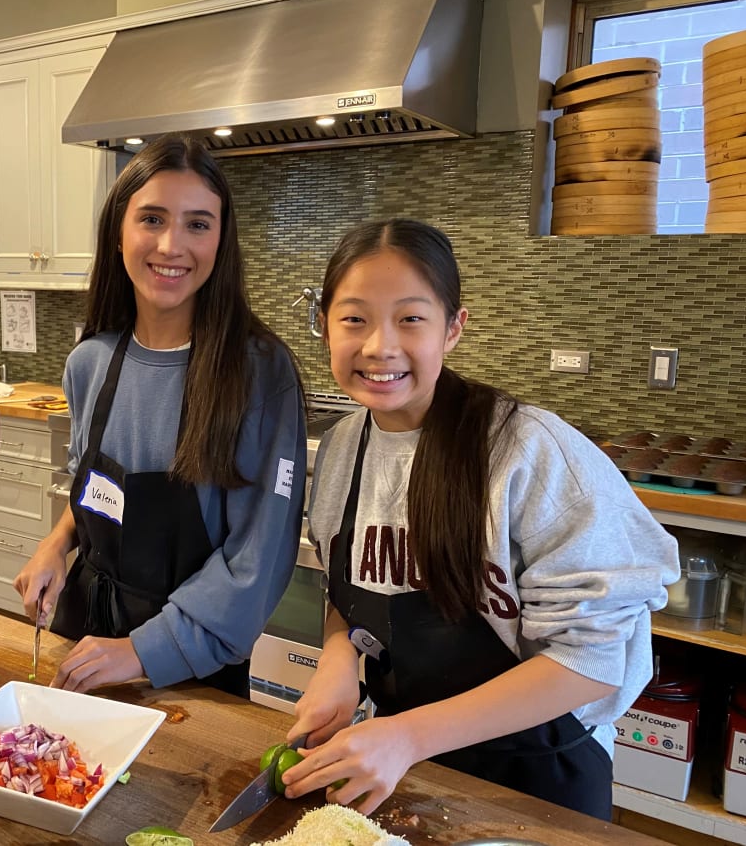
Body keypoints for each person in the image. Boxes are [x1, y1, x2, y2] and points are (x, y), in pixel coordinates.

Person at [280, 218, 679, 819]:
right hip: (405, 767)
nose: (379, 346)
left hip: (536, 778)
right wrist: (338, 659)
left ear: (453, 328)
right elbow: (353, 593)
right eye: (354, 318)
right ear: (325, 327)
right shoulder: (341, 448)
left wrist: (410, 735)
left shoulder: (528, 452)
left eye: (410, 318)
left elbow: (594, 663)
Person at [12, 135, 306, 697]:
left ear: (222, 240)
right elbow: (94, 495)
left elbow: (257, 558)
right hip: (83, 641)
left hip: (189, 669)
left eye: (198, 224)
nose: (172, 244)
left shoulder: (260, 373)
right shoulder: (91, 363)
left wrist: (142, 651)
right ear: (118, 230)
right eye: (152, 218)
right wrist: (56, 544)